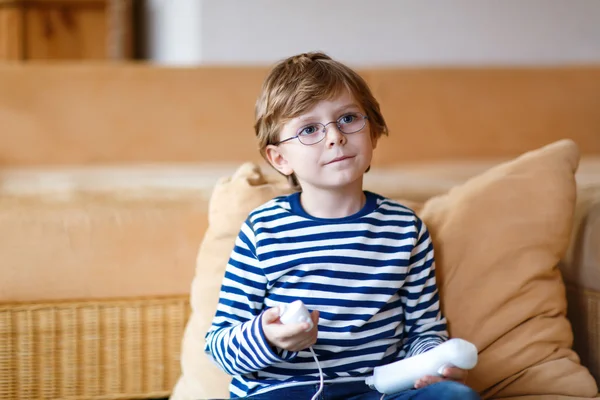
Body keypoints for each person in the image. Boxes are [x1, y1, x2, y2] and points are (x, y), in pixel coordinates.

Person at [204, 52, 480, 400]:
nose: (334, 136)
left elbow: (423, 330)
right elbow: (219, 345)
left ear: (374, 132)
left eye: (348, 118)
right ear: (280, 159)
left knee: (456, 397)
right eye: (309, 129)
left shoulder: (405, 230)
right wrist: (267, 337)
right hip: (283, 391)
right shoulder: (264, 230)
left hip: (376, 391)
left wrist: (435, 365)